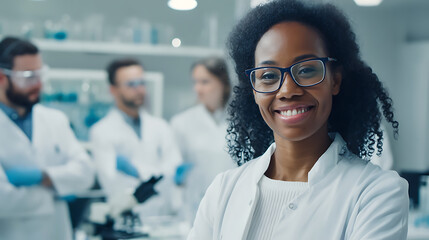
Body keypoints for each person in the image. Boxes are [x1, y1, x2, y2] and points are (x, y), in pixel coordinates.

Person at [187, 1, 409, 239]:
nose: (287, 90)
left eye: (305, 70)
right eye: (269, 75)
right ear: (253, 90)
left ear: (335, 80)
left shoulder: (377, 193)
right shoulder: (223, 190)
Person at [0, 37, 95, 240]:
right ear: (1, 78)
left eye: (40, 74)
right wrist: (56, 191)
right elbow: (2, 199)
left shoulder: (55, 120)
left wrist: (41, 176)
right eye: (28, 77)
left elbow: (86, 174)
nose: (38, 84)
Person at [89, 58, 182, 217]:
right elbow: (111, 182)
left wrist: (136, 171)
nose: (139, 89)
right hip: (125, 217)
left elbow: (173, 169)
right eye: (131, 84)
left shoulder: (160, 126)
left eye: (141, 83)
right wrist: (154, 177)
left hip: (160, 217)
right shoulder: (101, 131)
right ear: (113, 90)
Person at [171, 57, 236, 220]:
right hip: (194, 208)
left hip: (232, 205)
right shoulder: (181, 123)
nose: (197, 89)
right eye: (195, 82)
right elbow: (173, 171)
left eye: (205, 82)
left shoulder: (241, 121)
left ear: (222, 83)